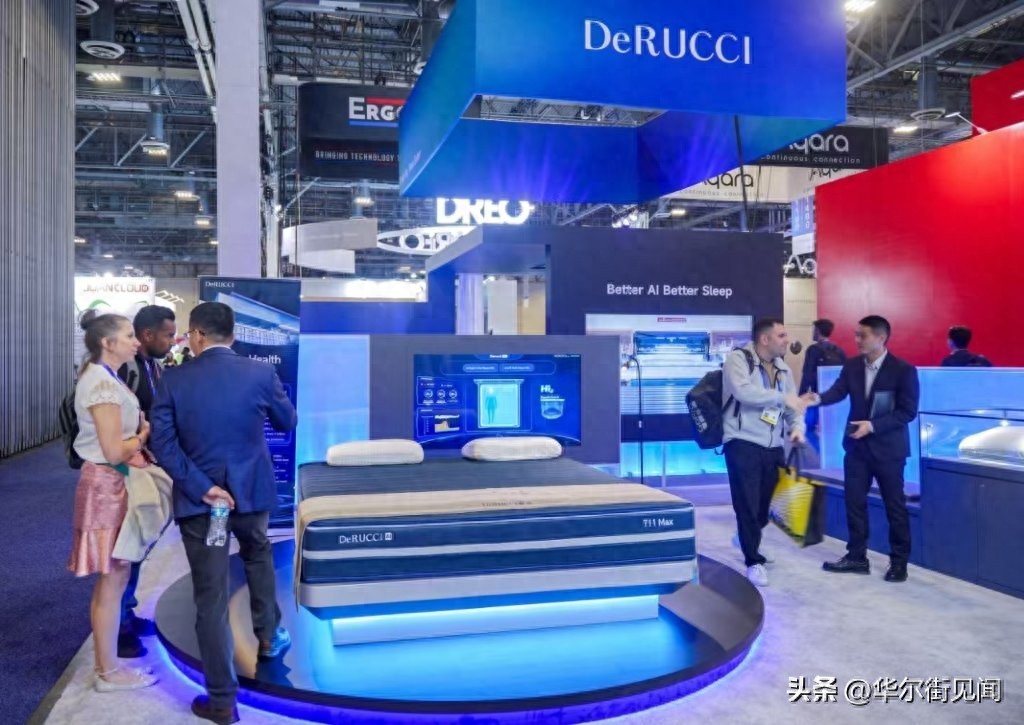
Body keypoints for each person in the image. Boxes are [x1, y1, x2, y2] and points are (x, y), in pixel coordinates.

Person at [150, 302, 297, 725]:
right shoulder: (260, 374)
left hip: (205, 504)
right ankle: (268, 636)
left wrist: (204, 487)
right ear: (233, 335)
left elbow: (163, 445)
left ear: (197, 335)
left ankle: (221, 700)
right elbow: (287, 422)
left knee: (210, 595)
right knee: (257, 555)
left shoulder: (173, 379)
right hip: (251, 495)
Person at [68, 313, 158, 692]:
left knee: (115, 578)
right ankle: (108, 671)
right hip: (108, 486)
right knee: (113, 578)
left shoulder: (105, 377)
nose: (136, 342)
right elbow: (112, 450)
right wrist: (142, 436)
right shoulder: (102, 383)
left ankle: (107, 666)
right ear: (107, 343)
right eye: (128, 335)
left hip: (111, 483)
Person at [810, 315, 920, 583]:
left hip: (889, 451)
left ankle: (899, 563)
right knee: (854, 503)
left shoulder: (904, 370)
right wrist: (815, 398)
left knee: (894, 506)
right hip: (857, 448)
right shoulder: (852, 366)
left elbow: (907, 412)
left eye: (863, 335)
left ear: (881, 338)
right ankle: (857, 557)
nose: (857, 340)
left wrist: (872, 426)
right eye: (856, 334)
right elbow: (837, 392)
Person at [722, 318, 807, 588]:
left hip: (774, 446)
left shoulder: (783, 368)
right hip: (742, 442)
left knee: (771, 506)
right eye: (781, 335)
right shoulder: (738, 360)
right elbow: (744, 392)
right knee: (746, 504)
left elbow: (793, 406)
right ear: (764, 339)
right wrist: (781, 398)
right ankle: (753, 560)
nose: (787, 340)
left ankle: (745, 537)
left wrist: (797, 428)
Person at [115, 305, 177, 658]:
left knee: (137, 546)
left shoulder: (151, 365)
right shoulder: (128, 369)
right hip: (123, 472)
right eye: (168, 335)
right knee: (124, 551)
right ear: (147, 334)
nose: (172, 341)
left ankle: (127, 612)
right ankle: (118, 627)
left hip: (142, 466)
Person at [799, 319, 847, 435]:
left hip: (817, 393)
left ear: (818, 331)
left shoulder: (813, 349)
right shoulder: (839, 350)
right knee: (829, 427)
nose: (813, 333)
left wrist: (801, 395)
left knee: (809, 427)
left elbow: (807, 374)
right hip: (834, 394)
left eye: (814, 330)